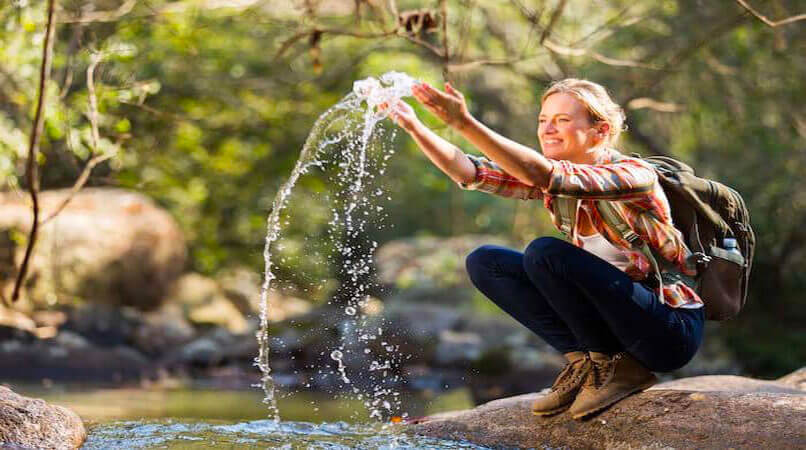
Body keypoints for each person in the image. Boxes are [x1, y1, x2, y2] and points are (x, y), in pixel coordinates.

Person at [382, 78, 704, 419]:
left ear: (600, 130)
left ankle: (619, 369)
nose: (548, 129)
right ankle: (586, 365)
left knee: (545, 253)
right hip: (615, 326)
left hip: (666, 331)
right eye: (543, 120)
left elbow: (542, 174)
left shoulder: (633, 176)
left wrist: (462, 122)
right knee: (486, 261)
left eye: (562, 120)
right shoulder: (558, 184)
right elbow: (470, 170)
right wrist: (413, 125)